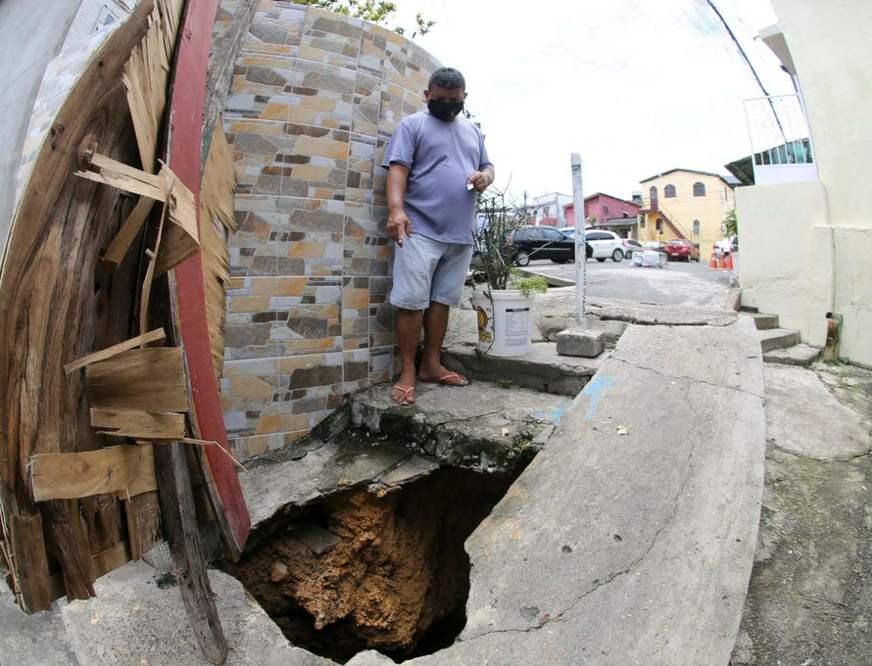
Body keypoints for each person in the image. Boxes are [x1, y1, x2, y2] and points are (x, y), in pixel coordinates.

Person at [381, 67, 495, 405]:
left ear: (464, 99)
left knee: (442, 300)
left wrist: (485, 177)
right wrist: (396, 210)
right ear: (427, 95)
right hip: (419, 229)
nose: (447, 106)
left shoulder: (473, 132)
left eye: (454, 101)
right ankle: (407, 371)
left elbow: (488, 167)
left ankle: (431, 365)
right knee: (411, 302)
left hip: (459, 235)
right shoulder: (413, 125)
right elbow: (398, 169)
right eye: (440, 100)